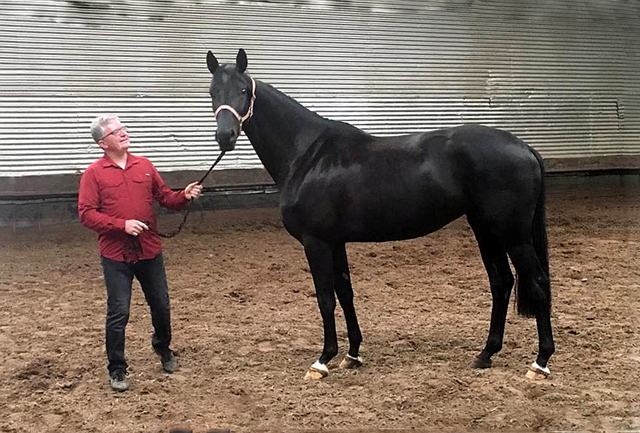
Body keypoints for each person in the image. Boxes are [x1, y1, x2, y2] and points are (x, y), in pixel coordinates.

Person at [78, 114, 203, 392]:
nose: (124, 133)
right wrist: (121, 225)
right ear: (103, 143)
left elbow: (165, 197)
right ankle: (117, 368)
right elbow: (86, 215)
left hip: (149, 251)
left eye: (123, 128)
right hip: (115, 255)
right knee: (119, 311)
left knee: (161, 305)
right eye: (116, 131)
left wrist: (184, 195)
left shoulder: (144, 165)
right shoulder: (93, 174)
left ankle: (163, 348)